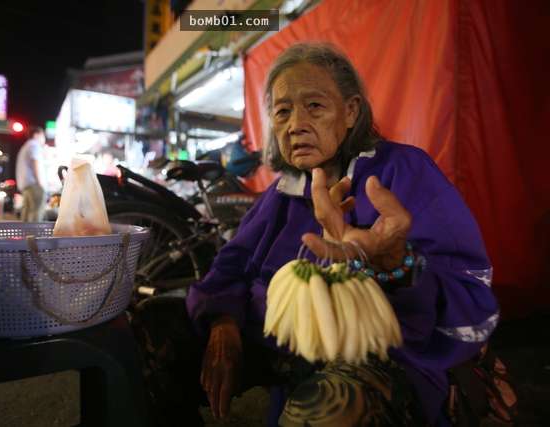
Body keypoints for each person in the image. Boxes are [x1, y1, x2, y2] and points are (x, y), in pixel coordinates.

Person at [131, 43, 499, 426]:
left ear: (351, 111)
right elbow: (232, 264)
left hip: (385, 357)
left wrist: (395, 264)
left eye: (315, 107)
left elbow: (464, 294)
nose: (296, 124)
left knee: (325, 412)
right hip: (285, 346)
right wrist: (222, 322)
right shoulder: (283, 190)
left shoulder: (403, 173)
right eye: (283, 111)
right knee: (149, 336)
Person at [16, 126, 47, 222]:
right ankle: (35, 236)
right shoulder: (34, 145)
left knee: (26, 212)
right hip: (35, 185)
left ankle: (25, 236)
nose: (44, 139)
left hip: (26, 186)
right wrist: (41, 184)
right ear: (37, 134)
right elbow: (35, 164)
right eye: (43, 136)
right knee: (36, 213)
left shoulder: (25, 146)